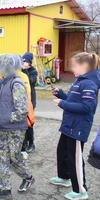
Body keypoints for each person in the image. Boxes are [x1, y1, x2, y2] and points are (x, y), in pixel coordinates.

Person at [50, 52, 100, 200]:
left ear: (84, 66)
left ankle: (80, 191)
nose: (72, 69)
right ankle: (64, 177)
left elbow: (87, 108)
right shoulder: (79, 81)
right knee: (63, 152)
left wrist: (63, 104)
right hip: (69, 125)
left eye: (74, 66)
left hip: (77, 128)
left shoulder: (88, 84)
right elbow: (73, 101)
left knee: (75, 159)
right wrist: (60, 95)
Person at [0, 54, 35, 200]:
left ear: (6, 67)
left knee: (13, 158)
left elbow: (22, 110)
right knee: (1, 158)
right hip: (3, 128)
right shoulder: (4, 82)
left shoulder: (16, 83)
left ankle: (28, 177)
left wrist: (7, 118)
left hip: (14, 129)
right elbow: (5, 103)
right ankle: (5, 191)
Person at [22, 52, 38, 153]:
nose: (24, 63)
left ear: (30, 63)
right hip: (22, 100)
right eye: (23, 61)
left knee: (29, 123)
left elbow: (31, 81)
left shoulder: (33, 71)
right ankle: (24, 142)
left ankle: (31, 143)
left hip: (30, 100)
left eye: (26, 61)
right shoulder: (20, 70)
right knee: (22, 123)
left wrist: (25, 70)